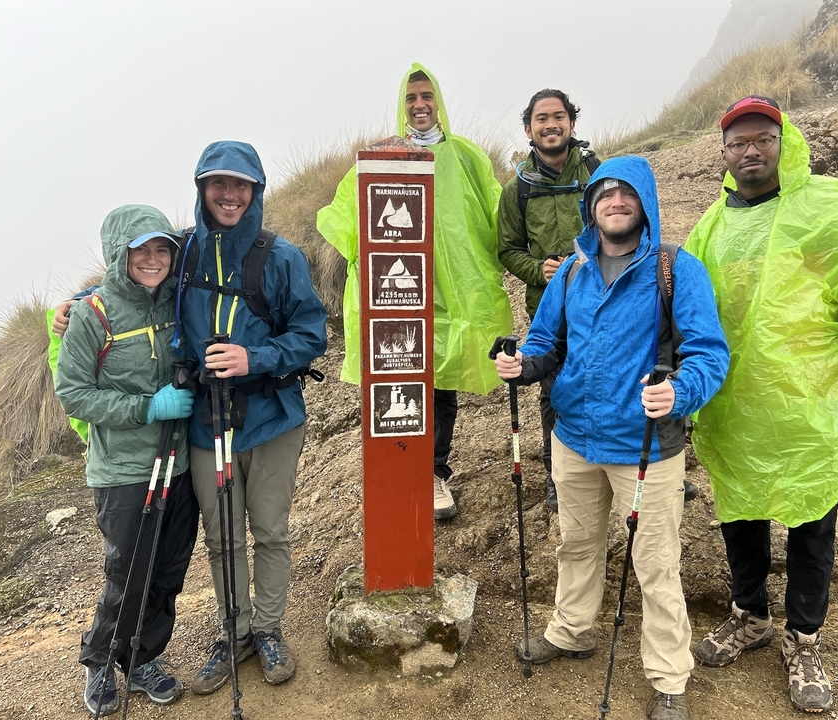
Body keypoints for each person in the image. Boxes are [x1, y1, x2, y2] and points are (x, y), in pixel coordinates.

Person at [685, 96, 838, 714]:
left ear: (784, 143)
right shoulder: (711, 226)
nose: (751, 151)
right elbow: (686, 313)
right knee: (740, 509)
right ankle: (749, 614)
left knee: (812, 521)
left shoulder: (825, 211)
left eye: (763, 138)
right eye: (738, 143)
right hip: (736, 405)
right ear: (725, 155)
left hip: (814, 404)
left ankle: (804, 635)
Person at [494, 156, 729, 720]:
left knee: (654, 562)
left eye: (627, 192)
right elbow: (546, 338)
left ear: (644, 202)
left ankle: (669, 676)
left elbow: (709, 353)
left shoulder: (675, 269)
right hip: (573, 436)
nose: (616, 201)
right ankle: (572, 630)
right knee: (575, 544)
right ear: (591, 206)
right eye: (605, 194)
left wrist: (680, 391)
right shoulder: (574, 271)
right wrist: (521, 364)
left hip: (645, 448)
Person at [318, 63, 513, 521]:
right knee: (401, 382)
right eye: (411, 98)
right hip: (399, 293)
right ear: (401, 106)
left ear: (439, 101)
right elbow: (345, 217)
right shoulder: (383, 156)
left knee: (441, 384)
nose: (420, 105)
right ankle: (400, 469)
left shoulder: (466, 156)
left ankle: (433, 472)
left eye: (426, 96)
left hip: (455, 295)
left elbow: (499, 217)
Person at [181, 141, 328, 695]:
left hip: (272, 419)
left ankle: (266, 629)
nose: (229, 195)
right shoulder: (183, 252)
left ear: (255, 192)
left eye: (240, 185)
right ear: (202, 189)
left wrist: (255, 358)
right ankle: (233, 631)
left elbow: (312, 335)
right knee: (221, 539)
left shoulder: (281, 256)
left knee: (268, 531)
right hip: (206, 423)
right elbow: (135, 278)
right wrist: (79, 305)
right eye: (218, 184)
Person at [55, 204, 199, 715]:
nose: (154, 259)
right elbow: (73, 393)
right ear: (121, 255)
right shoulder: (91, 315)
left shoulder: (175, 302)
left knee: (168, 571)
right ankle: (99, 661)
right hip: (122, 470)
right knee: (128, 572)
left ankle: (140, 659)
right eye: (142, 250)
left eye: (163, 249)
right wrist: (146, 407)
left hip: (178, 463)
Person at [497, 88, 599, 512]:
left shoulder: (599, 173)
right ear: (528, 129)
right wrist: (538, 269)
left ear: (572, 124)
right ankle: (559, 475)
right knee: (553, 388)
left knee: (611, 376)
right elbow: (507, 249)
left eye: (558, 116)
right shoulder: (516, 188)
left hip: (601, 302)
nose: (551, 124)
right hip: (549, 310)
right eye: (542, 118)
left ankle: (629, 463)